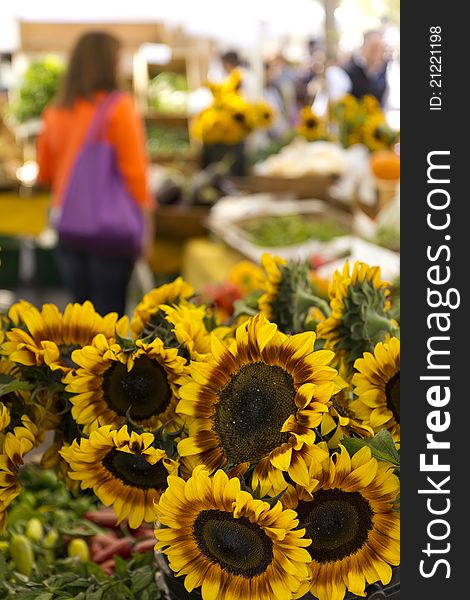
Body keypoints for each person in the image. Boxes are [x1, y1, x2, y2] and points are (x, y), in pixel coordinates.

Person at [37, 31, 155, 316]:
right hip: (111, 230)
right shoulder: (119, 107)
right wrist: (147, 226)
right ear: (107, 63)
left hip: (67, 223)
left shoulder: (55, 111)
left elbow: (45, 173)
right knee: (110, 319)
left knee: (81, 317)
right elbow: (135, 174)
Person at [325, 30, 389, 105]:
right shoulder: (346, 73)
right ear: (363, 46)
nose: (376, 52)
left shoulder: (384, 72)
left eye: (380, 48)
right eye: (373, 47)